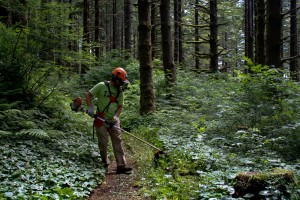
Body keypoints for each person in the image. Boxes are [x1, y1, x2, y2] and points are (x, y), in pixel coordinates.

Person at [85, 67, 132, 174]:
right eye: (120, 81)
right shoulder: (101, 86)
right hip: (101, 119)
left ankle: (121, 165)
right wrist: (91, 108)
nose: (121, 84)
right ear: (115, 78)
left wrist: (116, 116)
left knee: (117, 141)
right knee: (103, 142)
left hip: (113, 120)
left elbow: (120, 106)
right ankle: (104, 163)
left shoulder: (120, 92)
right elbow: (88, 94)